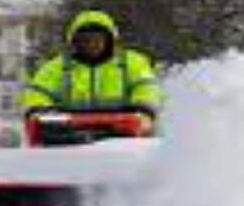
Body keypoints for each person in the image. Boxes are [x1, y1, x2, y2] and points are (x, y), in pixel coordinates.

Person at [21, 10, 162, 142]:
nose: (92, 44)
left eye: (98, 39)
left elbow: (145, 86)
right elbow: (38, 92)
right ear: (74, 42)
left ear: (110, 40)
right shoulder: (56, 67)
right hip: (67, 131)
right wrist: (40, 110)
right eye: (85, 40)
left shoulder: (132, 63)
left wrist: (142, 109)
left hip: (124, 130)